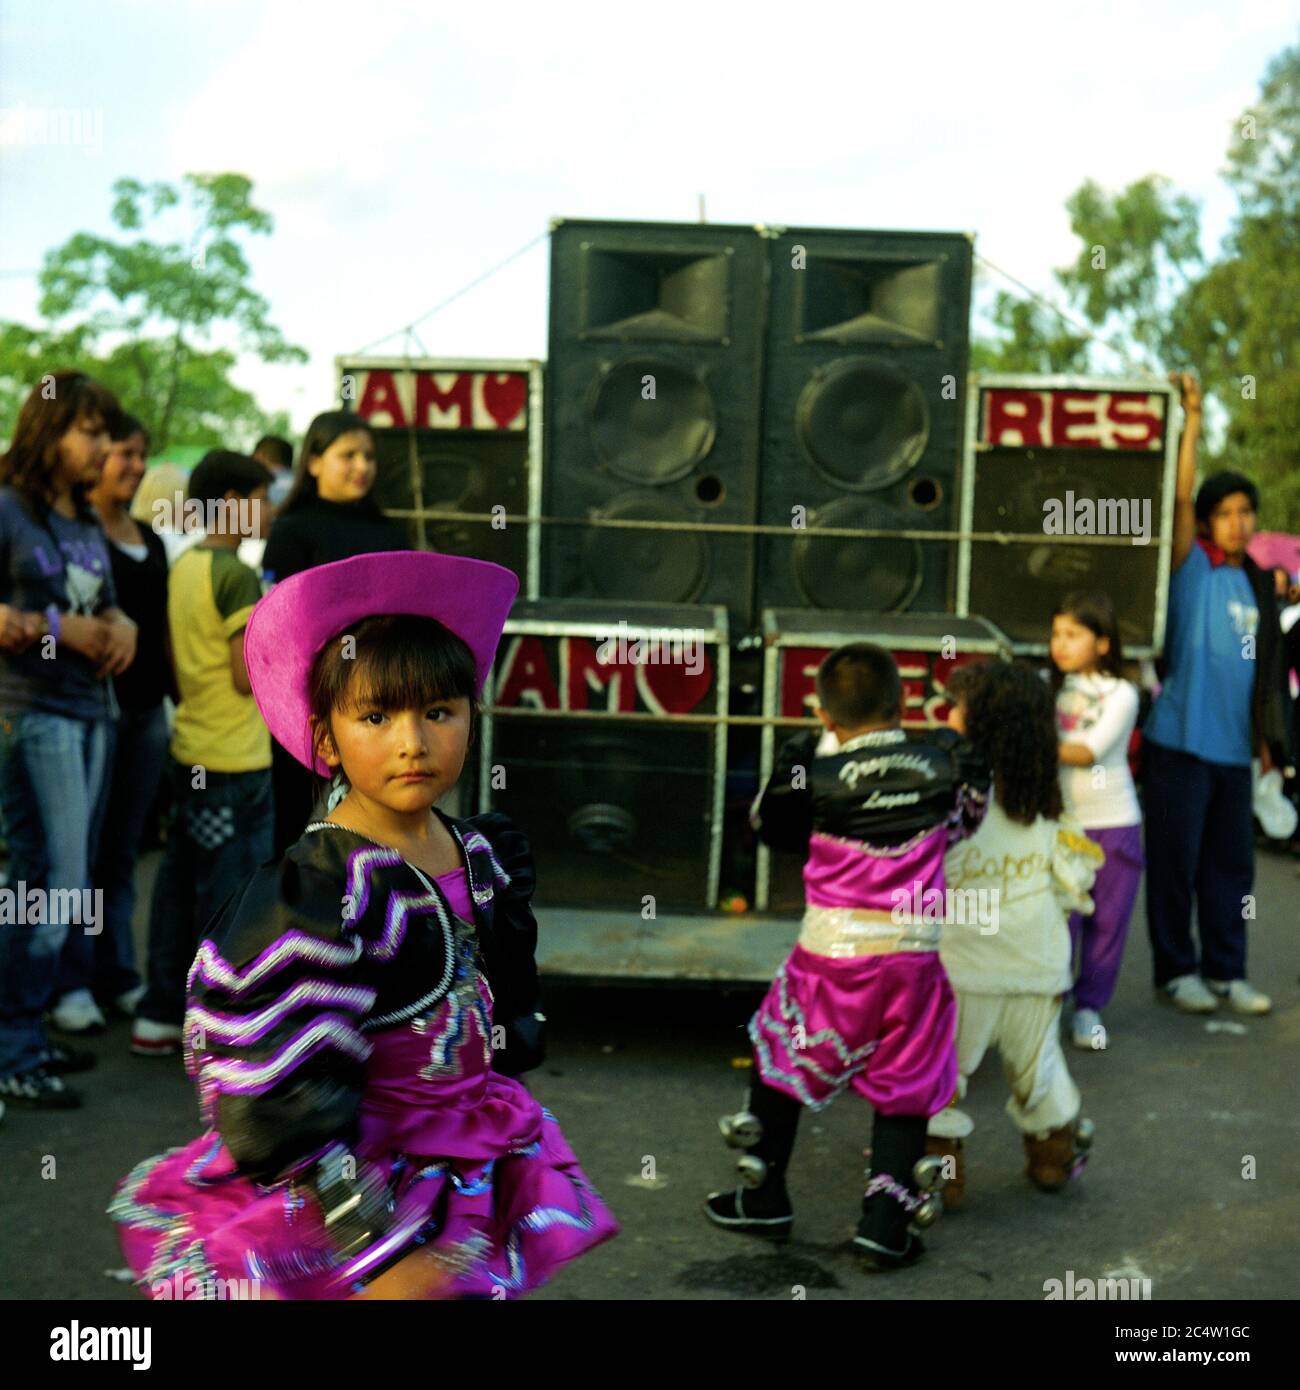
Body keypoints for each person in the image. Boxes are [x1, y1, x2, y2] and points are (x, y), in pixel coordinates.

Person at [109, 550, 619, 1298]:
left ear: (474, 715)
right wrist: (373, 1245)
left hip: (468, 1162)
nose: (412, 741)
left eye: (438, 712)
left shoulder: (479, 850)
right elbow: (276, 1086)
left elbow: (501, 985)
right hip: (355, 1195)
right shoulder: (317, 892)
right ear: (325, 739)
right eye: (376, 717)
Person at [705, 642, 990, 1270]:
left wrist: (799, 758)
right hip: (914, 959)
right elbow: (969, 819)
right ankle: (886, 1224)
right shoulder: (943, 766)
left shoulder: (815, 773)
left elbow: (771, 829)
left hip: (832, 956)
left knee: (781, 1051)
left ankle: (765, 1195)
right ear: (906, 702)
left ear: (823, 713)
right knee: (907, 1083)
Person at [0, 371, 139, 1107]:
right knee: (46, 888)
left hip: (93, 715)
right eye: (89, 431)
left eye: (106, 432)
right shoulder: (6, 510)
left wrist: (123, 628)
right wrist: (57, 630)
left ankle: (25, 1031)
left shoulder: (84, 520)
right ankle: (13, 1046)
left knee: (67, 884)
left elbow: (107, 605)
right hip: (35, 714)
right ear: (47, 432)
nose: (104, 446)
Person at [1141, 373, 1293, 1015]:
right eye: (1226, 512)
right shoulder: (1188, 564)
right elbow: (1176, 500)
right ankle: (1178, 971)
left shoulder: (1258, 581)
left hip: (1235, 754)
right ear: (1208, 519)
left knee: (1232, 870)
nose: (1238, 522)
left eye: (1246, 512)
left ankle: (1228, 970)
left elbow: (1264, 674)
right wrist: (1192, 418)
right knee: (1175, 867)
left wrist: (1266, 745)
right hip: (1178, 745)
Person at [926, 662, 1102, 1208]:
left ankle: (941, 1175)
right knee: (1037, 1066)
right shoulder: (1042, 792)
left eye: (957, 707)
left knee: (943, 1070)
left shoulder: (954, 792)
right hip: (1038, 955)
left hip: (964, 961)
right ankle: (1051, 1157)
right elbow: (1074, 872)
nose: (946, 713)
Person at [130, 451, 273, 1057]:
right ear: (236, 502)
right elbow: (247, 677)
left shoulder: (183, 565)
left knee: (178, 882)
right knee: (233, 897)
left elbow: (172, 654)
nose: (269, 510)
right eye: (262, 498)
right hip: (236, 763)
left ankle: (159, 1012)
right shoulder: (236, 575)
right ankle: (220, 1025)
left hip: (190, 750)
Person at [52, 413, 175, 1030]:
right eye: (122, 452)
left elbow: (163, 633)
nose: (132, 465)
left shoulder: (150, 539)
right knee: (79, 853)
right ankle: (71, 983)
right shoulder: (71, 536)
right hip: (89, 715)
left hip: (147, 716)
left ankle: (117, 973)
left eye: (139, 454)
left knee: (121, 854)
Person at [262, 411, 407, 857]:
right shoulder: (290, 531)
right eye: (348, 455)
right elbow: (277, 623)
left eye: (368, 456)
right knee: (288, 827)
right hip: (304, 703)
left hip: (381, 701)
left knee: (378, 828)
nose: (361, 466)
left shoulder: (389, 531)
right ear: (314, 462)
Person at [1050, 592, 1143, 1050]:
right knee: (1056, 921)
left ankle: (1089, 1009)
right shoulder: (1050, 689)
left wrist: (1020, 737)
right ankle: (1048, 1005)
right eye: (1055, 634)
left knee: (1106, 924)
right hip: (1061, 826)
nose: (1059, 645)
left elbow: (1087, 752)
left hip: (1114, 824)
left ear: (1103, 642)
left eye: (1072, 635)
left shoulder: (1122, 693)